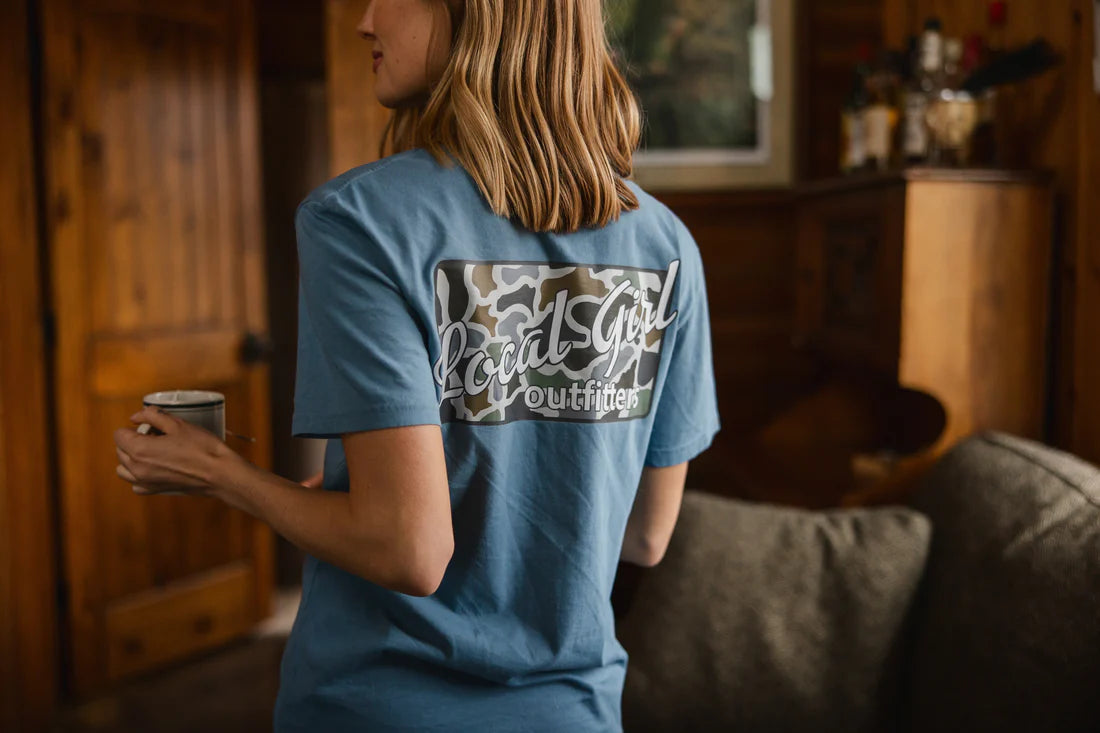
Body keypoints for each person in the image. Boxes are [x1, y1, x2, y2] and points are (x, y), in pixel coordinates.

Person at [113, 0, 721, 730]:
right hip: (574, 711)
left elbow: (408, 549)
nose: (365, 21)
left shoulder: (359, 220)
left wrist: (222, 473)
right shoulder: (667, 246)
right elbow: (645, 534)